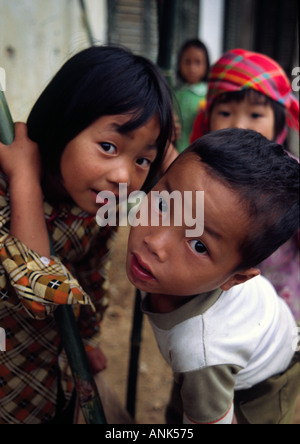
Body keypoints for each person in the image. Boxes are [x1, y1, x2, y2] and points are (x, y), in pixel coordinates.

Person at [0, 45, 175, 424]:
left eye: (142, 159)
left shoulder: (100, 207)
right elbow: (37, 291)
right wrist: (25, 181)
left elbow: (92, 271)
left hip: (51, 375)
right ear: (63, 123)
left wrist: (89, 338)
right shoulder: (6, 191)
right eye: (108, 147)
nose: (124, 177)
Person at [126, 128, 300, 424]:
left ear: (235, 279)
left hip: (265, 381)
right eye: (164, 204)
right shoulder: (169, 271)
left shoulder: (200, 351)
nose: (155, 243)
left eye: (198, 245)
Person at [190, 48, 300, 321]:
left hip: (281, 306)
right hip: (211, 307)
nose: (239, 125)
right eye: (226, 112)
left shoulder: (292, 179)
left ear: (280, 125)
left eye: (255, 115)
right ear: (208, 120)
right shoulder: (194, 172)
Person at [174, 39, 210, 153]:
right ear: (180, 63)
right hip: (173, 151)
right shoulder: (173, 93)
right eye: (187, 62)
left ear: (206, 65)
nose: (192, 68)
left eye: (198, 62)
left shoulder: (209, 96)